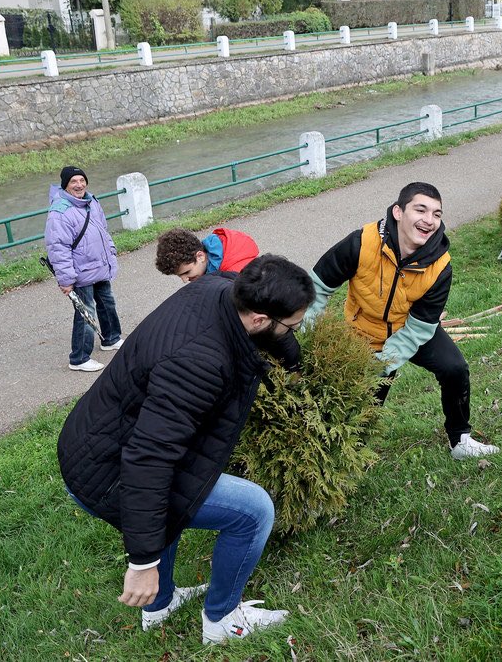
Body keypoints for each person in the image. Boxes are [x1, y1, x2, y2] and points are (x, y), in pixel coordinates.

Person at [58, 255, 313, 645]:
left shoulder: (220, 289)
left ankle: (159, 607)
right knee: (253, 511)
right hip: (109, 472)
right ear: (260, 320)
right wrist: (142, 561)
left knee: (177, 499)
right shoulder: (200, 361)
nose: (292, 331)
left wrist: (295, 365)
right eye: (291, 326)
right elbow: (148, 461)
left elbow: (276, 331)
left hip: (95, 437)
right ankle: (222, 619)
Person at [303, 182, 499, 461]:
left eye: (436, 214)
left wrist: (383, 363)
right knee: (364, 407)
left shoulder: (440, 265)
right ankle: (346, 456)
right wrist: (306, 335)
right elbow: (317, 287)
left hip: (410, 329)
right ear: (398, 212)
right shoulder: (361, 243)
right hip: (363, 330)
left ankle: (460, 440)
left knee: (455, 368)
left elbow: (420, 327)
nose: (429, 220)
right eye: (421, 210)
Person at [45, 166, 123, 372]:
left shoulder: (91, 201)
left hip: (99, 265)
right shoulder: (59, 212)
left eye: (81, 180)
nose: (79, 185)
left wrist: (111, 251)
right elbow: (57, 248)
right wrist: (66, 279)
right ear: (65, 186)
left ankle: (111, 338)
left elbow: (103, 229)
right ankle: (79, 358)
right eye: (73, 182)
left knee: (107, 303)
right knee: (85, 313)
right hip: (80, 272)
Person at [155, 227, 260, 283]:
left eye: (187, 272)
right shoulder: (208, 264)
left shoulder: (236, 274)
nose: (184, 280)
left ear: (200, 256)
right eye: (180, 276)